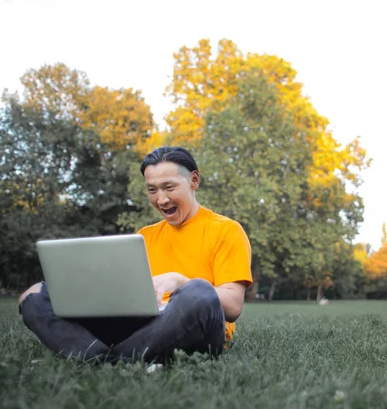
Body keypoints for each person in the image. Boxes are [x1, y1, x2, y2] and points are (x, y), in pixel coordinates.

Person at [18, 146, 253, 363]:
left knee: (199, 292)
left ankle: (97, 358)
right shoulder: (143, 236)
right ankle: (111, 359)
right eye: (152, 190)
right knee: (34, 295)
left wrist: (181, 282)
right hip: (141, 325)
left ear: (193, 180)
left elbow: (232, 307)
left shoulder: (226, 230)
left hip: (198, 326)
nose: (161, 199)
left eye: (169, 187)